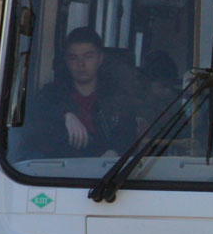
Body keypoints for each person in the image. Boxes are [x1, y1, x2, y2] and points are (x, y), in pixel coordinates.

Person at [33, 27, 138, 157]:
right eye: (73, 58)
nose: (81, 64)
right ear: (66, 61)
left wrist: (114, 152)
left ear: (100, 59)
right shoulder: (52, 95)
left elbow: (127, 136)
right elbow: (37, 119)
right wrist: (66, 115)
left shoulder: (118, 99)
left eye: (88, 56)